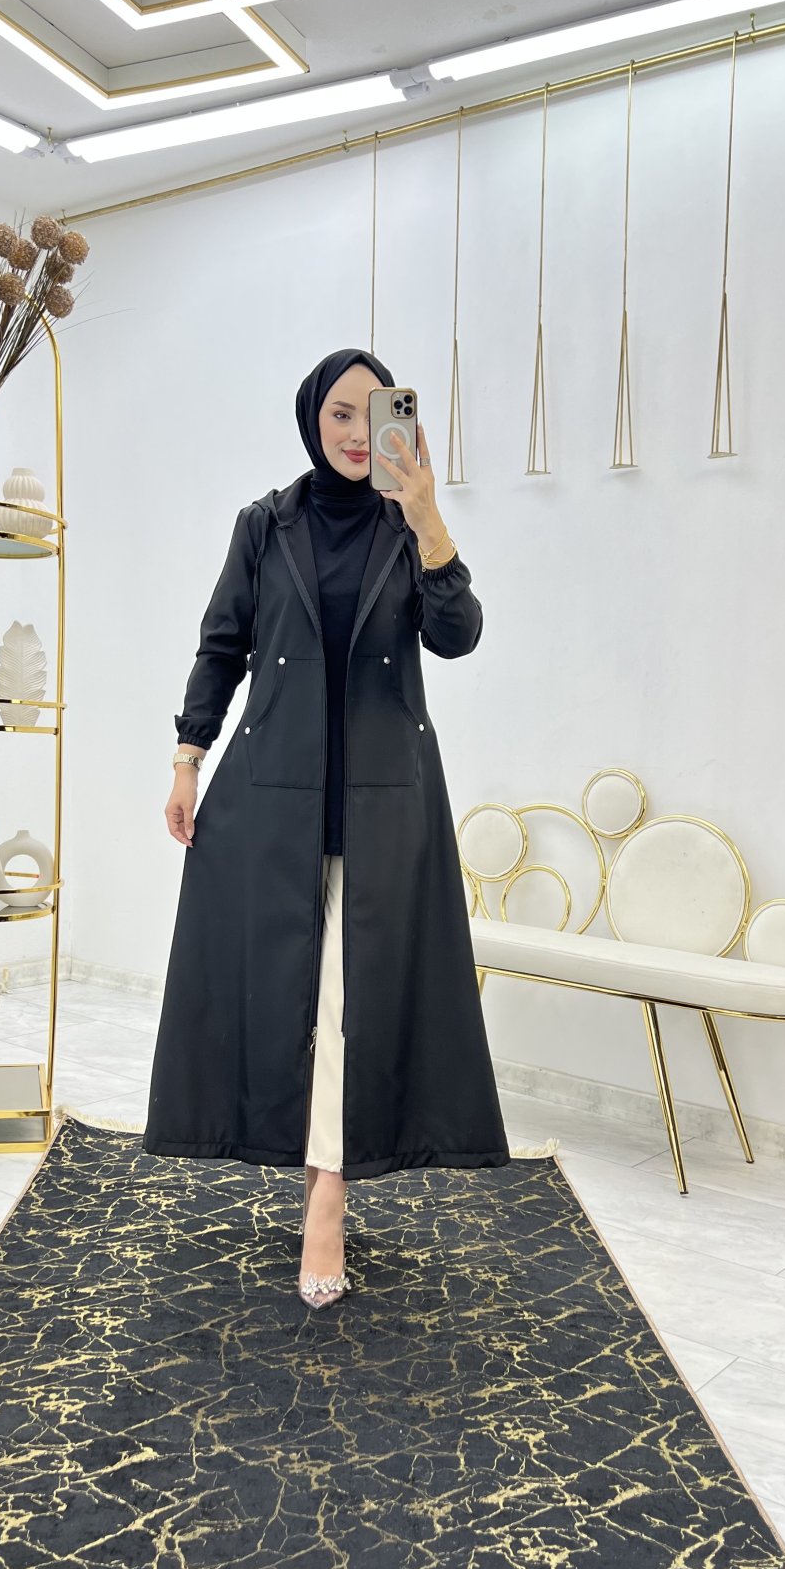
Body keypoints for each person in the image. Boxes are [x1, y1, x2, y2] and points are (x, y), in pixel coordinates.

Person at [142, 348, 510, 1310]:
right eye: (340, 413)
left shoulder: (405, 525)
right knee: (293, 998)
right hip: (273, 796)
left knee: (352, 1000)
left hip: (385, 800)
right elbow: (222, 646)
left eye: (375, 412)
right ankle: (315, 1176)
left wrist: (428, 516)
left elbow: (458, 635)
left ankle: (328, 1198)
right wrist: (187, 757)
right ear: (312, 418)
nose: (356, 432)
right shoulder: (264, 525)